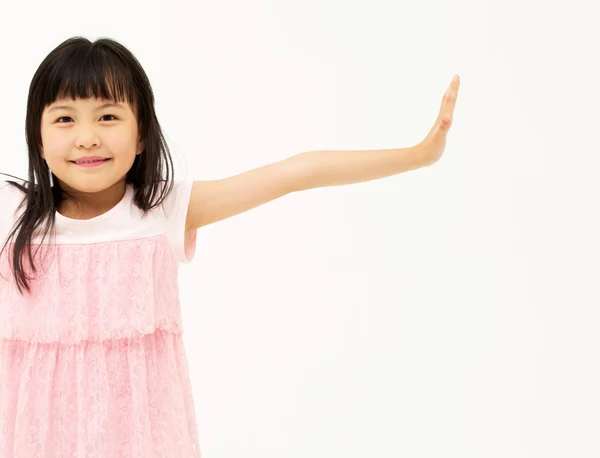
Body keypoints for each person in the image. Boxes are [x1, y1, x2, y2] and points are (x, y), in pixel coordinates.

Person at [0, 36, 460, 457]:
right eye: (64, 118)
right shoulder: (12, 214)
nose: (87, 137)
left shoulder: (161, 210)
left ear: (141, 135)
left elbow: (295, 172)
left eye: (108, 116)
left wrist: (420, 154)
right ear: (37, 138)